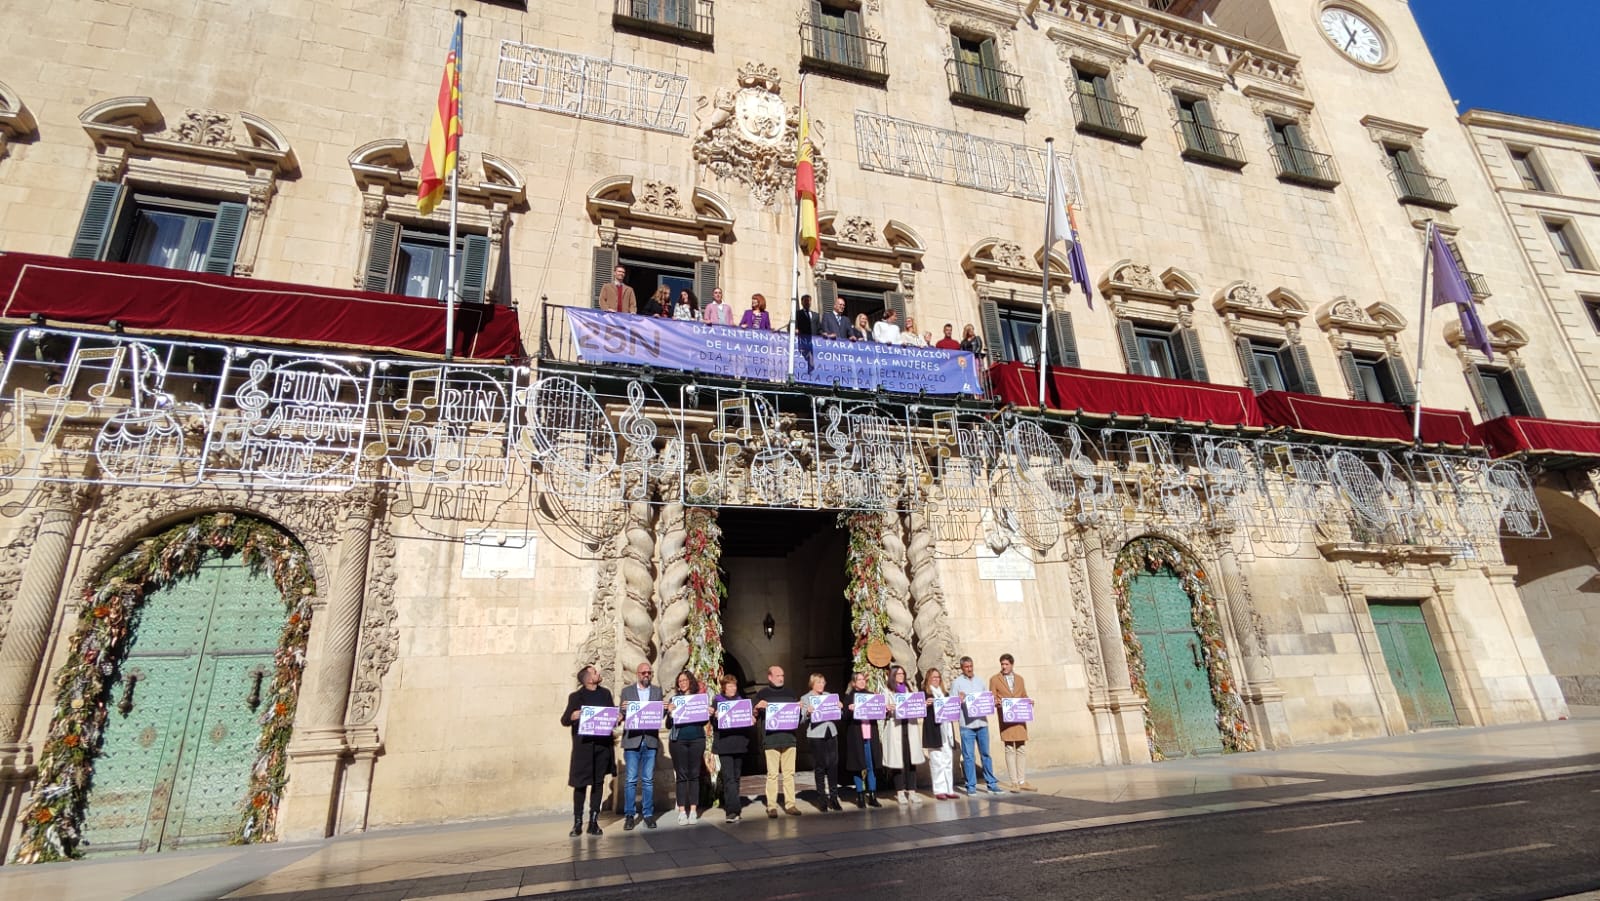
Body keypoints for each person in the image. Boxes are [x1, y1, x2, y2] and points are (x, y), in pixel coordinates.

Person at [561, 665, 615, 836]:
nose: (598, 673)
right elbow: (564, 720)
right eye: (595, 672)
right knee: (580, 785)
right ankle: (577, 822)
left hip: (602, 746)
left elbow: (610, 715)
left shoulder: (605, 694)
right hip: (583, 748)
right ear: (588, 678)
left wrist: (617, 717)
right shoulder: (576, 697)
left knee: (598, 783)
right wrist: (573, 716)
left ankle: (593, 820)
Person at [754, 665, 803, 817]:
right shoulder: (762, 693)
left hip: (789, 738)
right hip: (771, 739)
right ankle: (771, 806)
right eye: (777, 676)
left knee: (789, 774)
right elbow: (752, 715)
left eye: (782, 675)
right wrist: (756, 707)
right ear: (769, 677)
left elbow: (797, 719)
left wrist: (799, 710)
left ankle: (791, 804)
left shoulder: (790, 692)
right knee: (772, 774)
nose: (781, 678)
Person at [619, 661, 663, 830]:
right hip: (632, 741)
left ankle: (648, 814)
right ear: (637, 674)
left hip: (650, 740)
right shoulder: (627, 692)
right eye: (643, 672)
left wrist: (667, 708)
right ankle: (629, 815)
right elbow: (622, 714)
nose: (646, 675)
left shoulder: (657, 691)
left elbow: (660, 714)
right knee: (630, 780)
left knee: (648, 780)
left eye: (649, 673)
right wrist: (622, 710)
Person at [951, 655, 1002, 795]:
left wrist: (993, 702)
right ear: (962, 668)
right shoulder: (957, 683)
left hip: (982, 723)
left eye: (971, 666)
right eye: (966, 667)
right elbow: (951, 705)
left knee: (986, 754)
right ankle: (971, 786)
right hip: (967, 726)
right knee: (968, 757)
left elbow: (987, 700)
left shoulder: (980, 681)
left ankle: (991, 784)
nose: (969, 669)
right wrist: (958, 700)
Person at [989, 653, 1035, 791]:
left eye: (1006, 664)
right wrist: (998, 702)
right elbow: (992, 698)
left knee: (1021, 748)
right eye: (1002, 664)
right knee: (1009, 748)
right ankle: (1014, 782)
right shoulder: (994, 679)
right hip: (1006, 718)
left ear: (1012, 664)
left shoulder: (1020, 679)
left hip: (1019, 719)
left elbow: (1023, 695)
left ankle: (1022, 781)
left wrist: (1029, 702)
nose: (1004, 667)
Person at [666, 670, 706, 826]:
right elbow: (669, 725)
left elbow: (703, 722)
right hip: (678, 741)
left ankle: (694, 810)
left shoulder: (698, 699)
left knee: (694, 775)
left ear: (690, 681)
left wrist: (706, 713)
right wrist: (669, 713)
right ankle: (682, 810)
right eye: (679, 681)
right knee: (682, 776)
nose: (682, 683)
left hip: (696, 739)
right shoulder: (674, 700)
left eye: (684, 680)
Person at [711, 674, 752, 823]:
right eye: (729, 686)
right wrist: (714, 716)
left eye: (734, 685)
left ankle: (735, 807)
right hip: (725, 745)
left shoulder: (742, 702)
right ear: (724, 687)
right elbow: (714, 724)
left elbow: (747, 722)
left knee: (736, 777)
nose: (732, 688)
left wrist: (751, 718)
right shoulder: (717, 701)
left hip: (739, 744)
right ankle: (732, 810)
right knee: (729, 779)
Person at [882, 664, 925, 805]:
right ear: (893, 676)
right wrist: (887, 708)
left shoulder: (909, 689)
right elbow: (880, 711)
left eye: (902, 674)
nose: (901, 676)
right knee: (897, 761)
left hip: (909, 727)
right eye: (898, 674)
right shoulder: (887, 691)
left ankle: (912, 791)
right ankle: (900, 792)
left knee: (911, 760)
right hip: (895, 727)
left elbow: (917, 705)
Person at [802, 672, 842, 811]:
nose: (821, 685)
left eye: (823, 682)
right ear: (812, 683)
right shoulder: (806, 698)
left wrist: (839, 707)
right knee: (820, 767)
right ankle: (822, 799)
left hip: (831, 733)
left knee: (833, 765)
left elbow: (838, 715)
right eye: (818, 682)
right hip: (816, 735)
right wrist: (807, 712)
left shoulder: (828, 696)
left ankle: (834, 798)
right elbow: (801, 719)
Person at [841, 671, 882, 808]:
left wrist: (883, 707)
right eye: (859, 680)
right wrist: (849, 710)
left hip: (870, 735)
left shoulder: (871, 695)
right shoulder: (849, 697)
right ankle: (860, 795)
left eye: (863, 679)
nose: (862, 681)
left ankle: (872, 795)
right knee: (857, 766)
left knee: (871, 766)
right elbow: (844, 717)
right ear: (853, 683)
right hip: (856, 736)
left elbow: (879, 713)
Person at [922, 668, 957, 799]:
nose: (936, 680)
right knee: (937, 761)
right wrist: (925, 704)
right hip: (934, 730)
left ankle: (949, 789)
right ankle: (939, 790)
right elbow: (918, 710)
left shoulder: (945, 694)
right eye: (933, 677)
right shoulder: (925, 694)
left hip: (946, 731)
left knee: (948, 760)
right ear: (928, 679)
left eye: (938, 677)